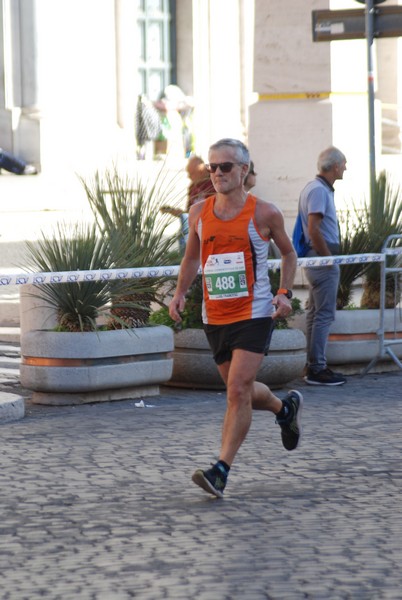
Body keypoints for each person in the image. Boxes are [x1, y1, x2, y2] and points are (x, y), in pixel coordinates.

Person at [169, 138, 303, 498]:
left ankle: (220, 470)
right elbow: (192, 260)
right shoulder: (199, 212)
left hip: (254, 313)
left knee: (238, 390)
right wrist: (180, 292)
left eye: (225, 167)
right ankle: (283, 407)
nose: (217, 174)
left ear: (244, 170)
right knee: (237, 390)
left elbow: (289, 256)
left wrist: (284, 293)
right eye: (212, 167)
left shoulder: (265, 213)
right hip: (215, 315)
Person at [297, 146, 347, 386]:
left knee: (316, 313)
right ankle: (317, 367)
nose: (346, 168)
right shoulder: (318, 190)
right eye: (344, 164)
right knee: (324, 314)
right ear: (335, 166)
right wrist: (327, 259)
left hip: (315, 257)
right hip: (321, 259)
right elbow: (314, 229)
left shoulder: (314, 188)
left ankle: (312, 365)